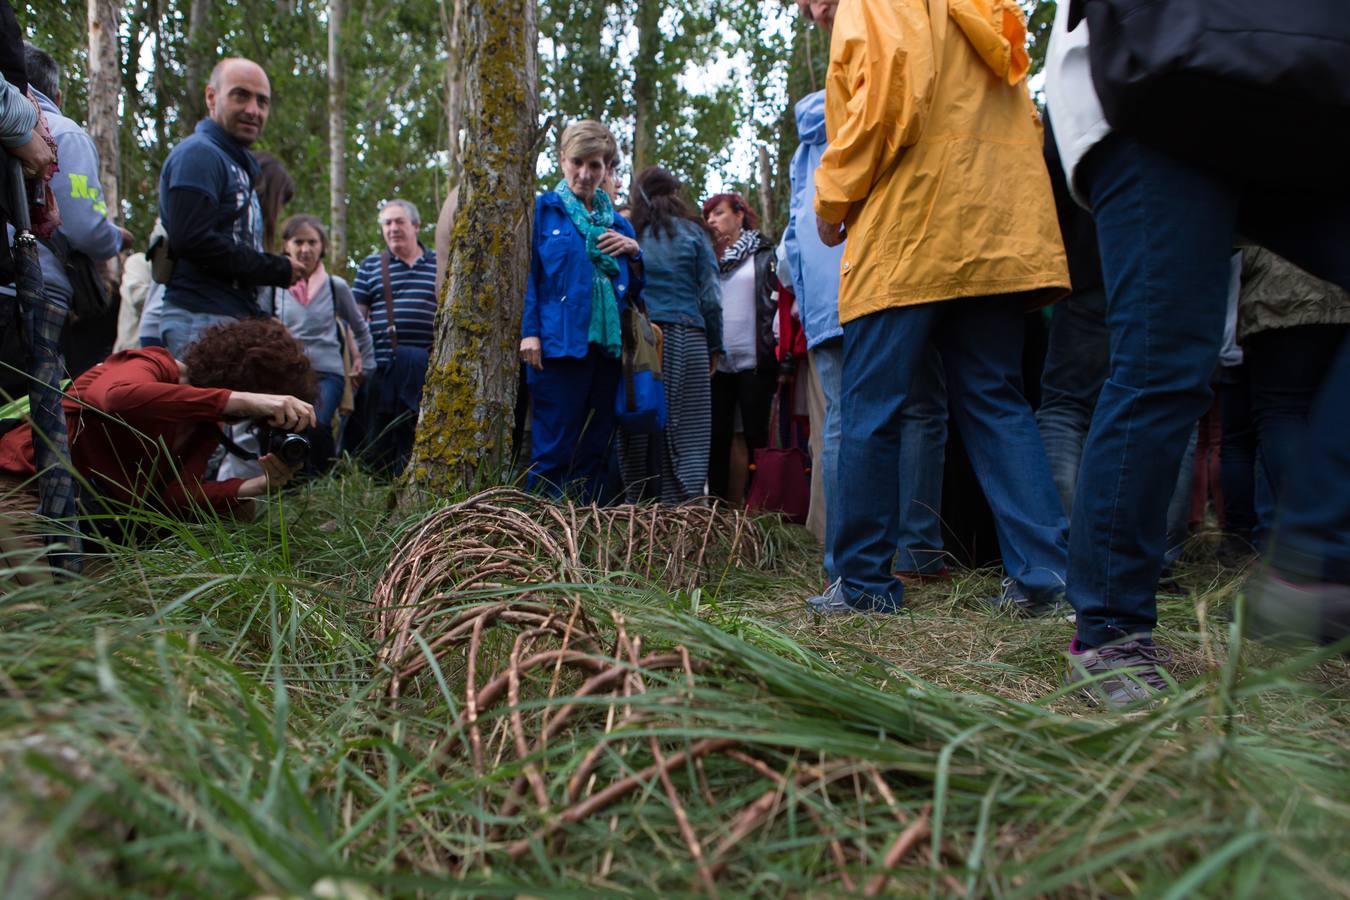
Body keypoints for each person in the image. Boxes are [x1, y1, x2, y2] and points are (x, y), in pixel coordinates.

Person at [1046, 6, 1350, 702]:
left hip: (1298, 80)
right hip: (1152, 74)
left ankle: (1313, 559)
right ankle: (1109, 633)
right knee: (1164, 365)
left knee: (1167, 367)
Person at [808, 0, 1071, 617]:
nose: (810, 8)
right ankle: (1045, 576)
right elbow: (1025, 120)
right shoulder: (983, 8)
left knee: (872, 405)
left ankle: (863, 586)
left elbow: (888, 99)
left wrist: (830, 199)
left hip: (908, 230)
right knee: (995, 399)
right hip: (991, 226)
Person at [782, 7, 950, 585]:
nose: (815, 13)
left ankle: (847, 563)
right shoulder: (873, 107)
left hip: (836, 301)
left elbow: (792, 242)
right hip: (894, 271)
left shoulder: (807, 154)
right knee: (920, 408)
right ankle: (914, 553)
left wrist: (805, 295)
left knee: (846, 423)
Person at [0, 318, 317, 564]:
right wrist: (237, 399)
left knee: (117, 607)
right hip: (26, 486)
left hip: (83, 519)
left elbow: (172, 497)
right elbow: (114, 398)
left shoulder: (204, 425)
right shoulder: (155, 364)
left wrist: (258, 486)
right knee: (48, 607)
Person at [519, 120, 641, 502]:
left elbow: (634, 290)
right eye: (578, 162)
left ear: (607, 169)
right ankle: (540, 534)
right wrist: (529, 331)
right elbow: (528, 276)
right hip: (558, 346)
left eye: (595, 166)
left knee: (596, 448)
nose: (585, 174)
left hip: (606, 351)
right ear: (562, 161)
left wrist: (635, 253)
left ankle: (588, 537)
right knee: (552, 448)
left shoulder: (619, 224)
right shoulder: (543, 211)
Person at [157, 57, 304, 358]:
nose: (253, 110)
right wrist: (275, 268)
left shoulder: (235, 163)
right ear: (211, 96)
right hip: (200, 319)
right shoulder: (199, 155)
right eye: (241, 95)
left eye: (262, 102)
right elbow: (192, 239)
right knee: (204, 406)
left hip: (229, 318)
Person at [0, 45, 130, 378]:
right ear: (56, 93)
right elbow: (86, 227)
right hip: (33, 295)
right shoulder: (64, 132)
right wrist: (115, 238)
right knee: (27, 417)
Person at [619, 166, 722, 504]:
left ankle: (636, 506)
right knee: (689, 426)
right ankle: (684, 510)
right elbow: (711, 296)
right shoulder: (694, 233)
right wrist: (715, 346)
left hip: (639, 339)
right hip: (687, 337)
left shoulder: (632, 232)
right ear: (675, 194)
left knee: (637, 418)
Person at [262, 214, 374, 466]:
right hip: (284, 372)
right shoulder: (272, 287)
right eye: (298, 242)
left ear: (322, 246)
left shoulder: (336, 287)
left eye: (312, 242)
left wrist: (367, 366)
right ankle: (290, 486)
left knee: (318, 423)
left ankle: (323, 481)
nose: (305, 249)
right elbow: (257, 322)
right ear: (285, 245)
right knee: (283, 427)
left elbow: (360, 327)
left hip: (328, 373)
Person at [346, 198, 436, 476]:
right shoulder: (371, 266)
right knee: (379, 438)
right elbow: (354, 319)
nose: (393, 228)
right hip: (383, 367)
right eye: (387, 223)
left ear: (416, 226)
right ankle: (375, 491)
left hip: (428, 369)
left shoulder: (439, 263)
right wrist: (357, 357)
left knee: (421, 436)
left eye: (399, 221)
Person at [702, 192, 777, 505]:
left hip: (755, 361)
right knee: (717, 438)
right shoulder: (706, 256)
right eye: (708, 216)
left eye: (718, 213)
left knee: (756, 437)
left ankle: (759, 509)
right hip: (718, 364)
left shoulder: (764, 253)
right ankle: (718, 512)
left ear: (740, 214)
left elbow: (777, 307)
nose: (711, 220)